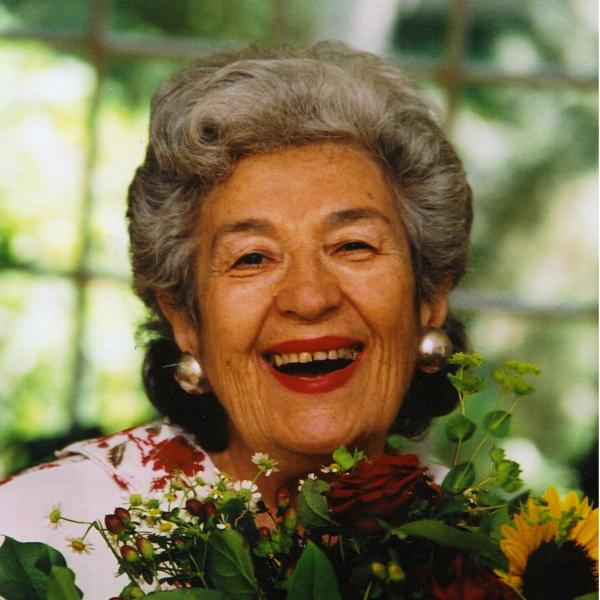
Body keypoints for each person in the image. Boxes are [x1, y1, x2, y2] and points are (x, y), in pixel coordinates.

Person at [0, 41, 472, 598]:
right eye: (251, 257)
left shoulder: (494, 546)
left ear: (429, 295)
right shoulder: (36, 532)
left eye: (353, 246)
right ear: (184, 317)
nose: (310, 297)